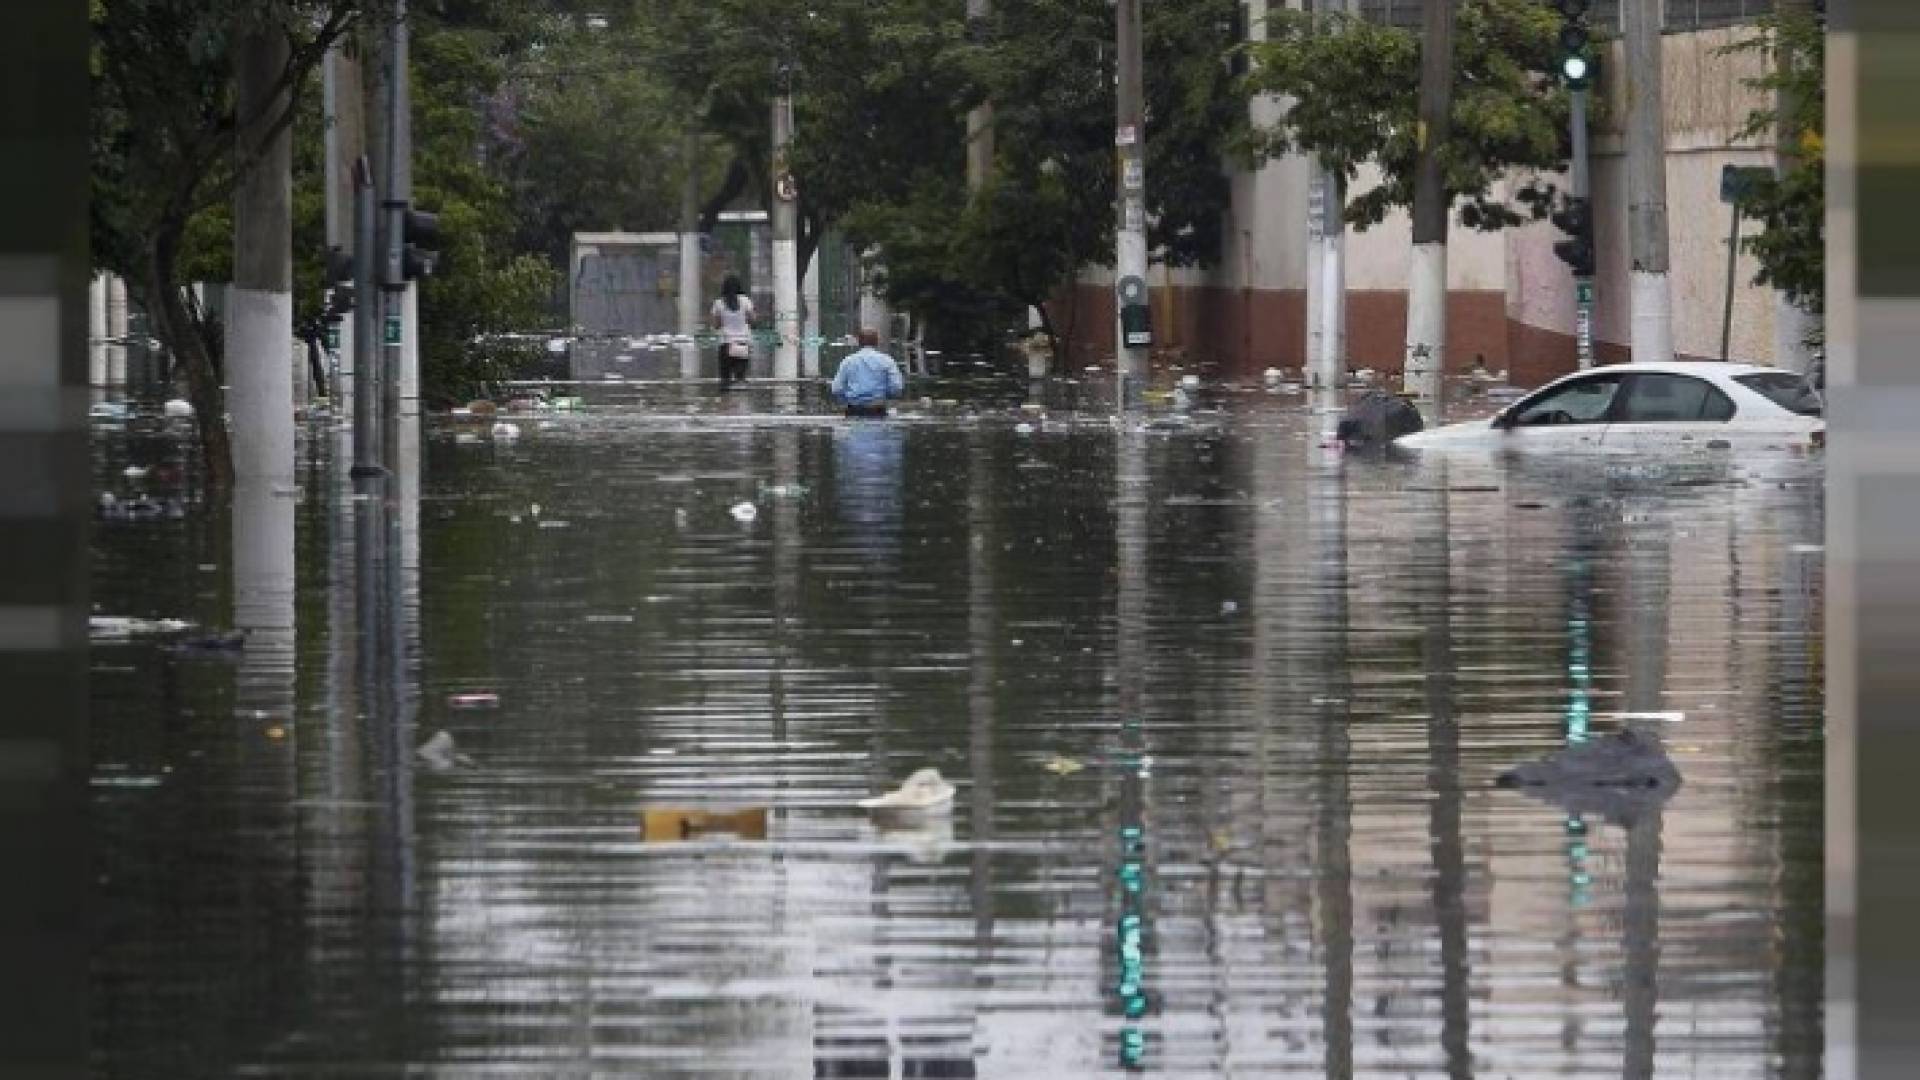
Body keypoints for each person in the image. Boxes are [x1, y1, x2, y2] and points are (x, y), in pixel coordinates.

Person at [831, 328, 905, 418]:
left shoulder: (847, 361)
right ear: (876, 342)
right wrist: (887, 396)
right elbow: (897, 387)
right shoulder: (887, 361)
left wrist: (847, 400)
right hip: (877, 410)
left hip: (853, 410)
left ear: (859, 342)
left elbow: (836, 389)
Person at [710, 275, 755, 390]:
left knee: (725, 380)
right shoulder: (745, 301)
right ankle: (740, 405)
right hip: (743, 343)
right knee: (741, 380)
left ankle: (726, 405)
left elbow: (716, 325)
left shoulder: (718, 303)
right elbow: (752, 320)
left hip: (726, 343)